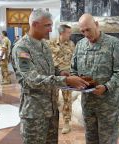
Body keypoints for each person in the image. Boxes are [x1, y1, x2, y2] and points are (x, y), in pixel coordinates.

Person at [12, 8, 89, 144]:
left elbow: (50, 68)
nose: (50, 30)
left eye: (50, 26)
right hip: (34, 113)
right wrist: (65, 80)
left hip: (52, 110)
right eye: (47, 25)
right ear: (34, 24)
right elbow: (32, 79)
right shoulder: (22, 48)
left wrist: (59, 72)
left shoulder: (44, 45)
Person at [71, 13, 119, 144]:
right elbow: (73, 70)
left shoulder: (114, 44)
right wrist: (75, 81)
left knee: (108, 141)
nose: (86, 34)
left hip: (109, 106)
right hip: (88, 105)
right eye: (82, 31)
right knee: (90, 140)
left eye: (88, 29)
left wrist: (106, 87)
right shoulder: (80, 45)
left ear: (96, 25)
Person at [47, 24, 75, 134]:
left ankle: (67, 123)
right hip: (54, 76)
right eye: (69, 32)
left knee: (67, 100)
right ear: (62, 33)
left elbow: (75, 59)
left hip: (67, 77)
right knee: (52, 100)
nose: (70, 34)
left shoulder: (72, 44)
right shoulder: (50, 43)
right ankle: (52, 122)